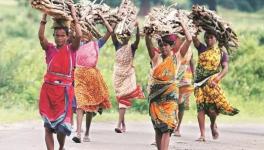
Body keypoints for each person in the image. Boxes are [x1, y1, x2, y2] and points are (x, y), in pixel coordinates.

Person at [38, 4, 82, 150]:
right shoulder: (49, 49)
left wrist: (74, 15)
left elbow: (80, 35)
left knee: (61, 128)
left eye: (63, 35)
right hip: (48, 92)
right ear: (54, 36)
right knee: (48, 127)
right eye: (57, 35)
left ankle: (61, 147)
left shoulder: (72, 49)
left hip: (64, 93)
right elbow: (40, 36)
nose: (60, 38)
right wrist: (44, 15)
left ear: (68, 36)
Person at [145, 18, 192, 150]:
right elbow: (148, 43)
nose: (163, 47)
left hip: (170, 99)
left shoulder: (176, 58)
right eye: (161, 45)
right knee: (158, 128)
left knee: (168, 127)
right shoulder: (155, 58)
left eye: (166, 45)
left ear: (171, 46)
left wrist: (182, 25)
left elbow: (189, 40)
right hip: (156, 99)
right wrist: (148, 34)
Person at [72, 13, 113, 143]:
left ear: (91, 33)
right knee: (80, 103)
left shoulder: (97, 44)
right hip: (79, 75)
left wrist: (102, 19)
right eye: (83, 31)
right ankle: (78, 133)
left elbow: (110, 31)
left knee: (90, 107)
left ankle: (87, 132)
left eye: (87, 31)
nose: (85, 34)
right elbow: (71, 31)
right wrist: (74, 18)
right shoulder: (76, 43)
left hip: (92, 78)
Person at [193, 31, 239, 141]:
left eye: (211, 37)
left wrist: (217, 79)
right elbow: (193, 38)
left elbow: (225, 68)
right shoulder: (201, 48)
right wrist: (195, 27)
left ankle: (212, 124)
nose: (209, 40)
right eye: (207, 37)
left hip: (212, 83)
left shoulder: (221, 53)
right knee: (201, 108)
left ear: (216, 39)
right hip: (199, 83)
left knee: (212, 110)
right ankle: (202, 135)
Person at [111, 21, 145, 133]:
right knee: (121, 100)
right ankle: (123, 123)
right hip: (117, 76)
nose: (124, 37)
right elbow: (112, 34)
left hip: (128, 76)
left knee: (123, 99)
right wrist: (114, 24)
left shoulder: (132, 47)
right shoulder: (117, 45)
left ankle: (118, 125)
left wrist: (137, 28)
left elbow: (138, 40)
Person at [173, 44, 195, 137]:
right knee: (173, 99)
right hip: (175, 73)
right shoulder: (175, 45)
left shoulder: (190, 48)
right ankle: (174, 123)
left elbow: (192, 62)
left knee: (181, 101)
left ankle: (178, 127)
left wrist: (194, 76)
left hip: (186, 76)